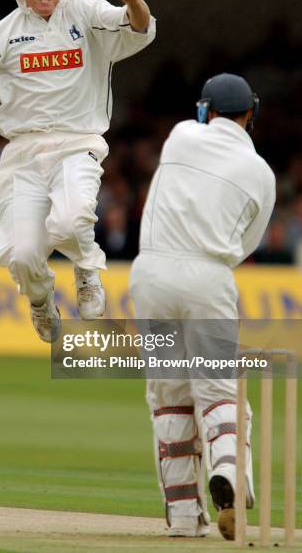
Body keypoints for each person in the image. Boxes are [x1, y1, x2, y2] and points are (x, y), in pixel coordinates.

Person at [0, 0, 156, 342]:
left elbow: (137, 26)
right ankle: (40, 299)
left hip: (77, 141)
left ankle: (87, 270)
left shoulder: (85, 13)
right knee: (21, 256)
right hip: (22, 151)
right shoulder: (3, 32)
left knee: (72, 220)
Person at [129, 73, 276, 539]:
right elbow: (245, 244)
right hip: (208, 276)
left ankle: (185, 516)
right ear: (250, 114)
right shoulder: (262, 173)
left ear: (203, 110)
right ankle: (230, 474)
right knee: (217, 391)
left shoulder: (180, 136)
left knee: (170, 396)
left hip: (150, 275)